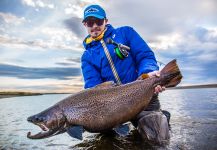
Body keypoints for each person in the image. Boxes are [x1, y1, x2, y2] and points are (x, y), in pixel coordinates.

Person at [81, 4, 170, 144]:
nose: (94, 26)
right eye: (90, 22)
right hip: (112, 109)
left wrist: (148, 74)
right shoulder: (87, 56)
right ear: (85, 24)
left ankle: (159, 117)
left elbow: (145, 56)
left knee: (157, 141)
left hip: (142, 96)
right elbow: (93, 86)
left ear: (106, 21)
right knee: (106, 142)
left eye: (98, 21)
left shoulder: (126, 33)